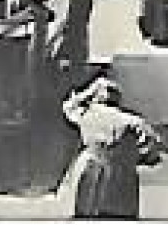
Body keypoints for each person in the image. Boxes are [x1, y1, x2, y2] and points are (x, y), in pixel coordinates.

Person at [62, 77, 161, 219]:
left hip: (89, 165)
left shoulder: (86, 114)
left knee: (86, 211)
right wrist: (144, 158)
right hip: (120, 170)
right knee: (119, 214)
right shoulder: (132, 121)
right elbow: (152, 145)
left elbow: (68, 106)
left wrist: (87, 91)